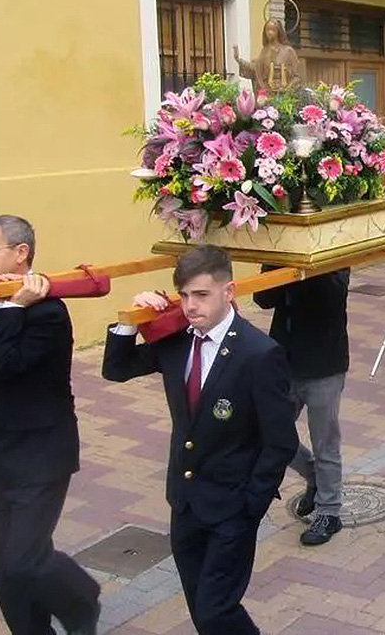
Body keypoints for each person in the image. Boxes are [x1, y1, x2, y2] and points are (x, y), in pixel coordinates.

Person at [102, 246, 298, 634]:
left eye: (202, 295)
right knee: (200, 606)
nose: (191, 306)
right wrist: (129, 320)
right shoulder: (177, 341)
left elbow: (281, 441)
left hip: (232, 507)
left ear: (229, 292)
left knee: (215, 610)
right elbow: (117, 369)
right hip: (186, 501)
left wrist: (251, 506)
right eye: (185, 295)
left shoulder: (258, 354)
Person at [0, 215, 100, 635]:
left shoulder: (48, 313)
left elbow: (2, 371)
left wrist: (10, 311)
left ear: (20, 252)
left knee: (23, 558)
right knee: (1, 561)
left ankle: (81, 600)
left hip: (43, 454)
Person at [253, 268, 350, 547]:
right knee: (269, 432)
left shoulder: (334, 258)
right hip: (283, 362)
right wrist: (277, 267)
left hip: (325, 365)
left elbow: (331, 296)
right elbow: (263, 298)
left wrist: (306, 269)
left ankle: (329, 512)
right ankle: (313, 474)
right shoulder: (283, 258)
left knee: (325, 443)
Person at [232, 19, 301, 93]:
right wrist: (238, 60)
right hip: (268, 94)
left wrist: (288, 89)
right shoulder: (264, 52)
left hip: (286, 94)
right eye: (267, 30)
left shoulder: (288, 51)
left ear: (278, 32)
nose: (270, 33)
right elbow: (255, 70)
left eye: (273, 30)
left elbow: (297, 75)